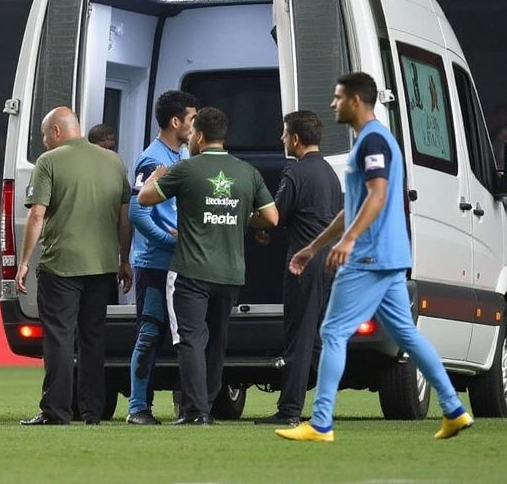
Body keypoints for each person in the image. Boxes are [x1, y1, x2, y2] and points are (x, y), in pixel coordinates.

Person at [278, 73, 475, 442]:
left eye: (337, 98)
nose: (333, 105)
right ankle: (453, 408)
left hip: (371, 257)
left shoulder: (372, 141)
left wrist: (350, 241)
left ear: (355, 100)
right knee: (407, 335)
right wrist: (314, 247)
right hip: (390, 256)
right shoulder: (371, 141)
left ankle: (320, 424)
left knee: (333, 331)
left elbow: (378, 195)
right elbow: (353, 206)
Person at [138, 106, 278, 425]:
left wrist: (157, 176)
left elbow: (145, 199)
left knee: (190, 340)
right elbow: (271, 218)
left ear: (200, 136)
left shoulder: (186, 168)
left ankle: (195, 411)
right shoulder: (247, 171)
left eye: (191, 136)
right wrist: (243, 218)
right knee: (216, 342)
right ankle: (208, 407)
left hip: (191, 271)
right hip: (230, 274)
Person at [16, 107, 132, 426]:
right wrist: (124, 260)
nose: (43, 141)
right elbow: (125, 217)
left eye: (43, 134)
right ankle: (93, 412)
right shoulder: (113, 161)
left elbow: (37, 215)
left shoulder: (49, 162)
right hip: (102, 266)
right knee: (93, 340)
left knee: (59, 339)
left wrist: (24, 261)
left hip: (62, 265)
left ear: (56, 131)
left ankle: (57, 411)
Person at [253, 111, 341, 426]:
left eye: (283, 133)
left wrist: (256, 224)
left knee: (299, 338)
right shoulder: (330, 174)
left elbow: (273, 215)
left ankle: (290, 410)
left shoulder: (295, 173)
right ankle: (318, 401)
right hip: (330, 264)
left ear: (295, 139)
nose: (281, 139)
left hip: (303, 265)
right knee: (317, 339)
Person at [126, 90, 198, 425]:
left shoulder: (181, 153)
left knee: (184, 334)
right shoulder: (152, 160)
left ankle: (187, 407)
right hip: (155, 262)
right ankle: (138, 408)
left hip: (177, 262)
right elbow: (137, 212)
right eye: (191, 120)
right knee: (150, 332)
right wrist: (168, 242)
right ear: (175, 121)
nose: (194, 126)